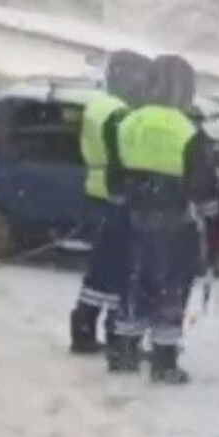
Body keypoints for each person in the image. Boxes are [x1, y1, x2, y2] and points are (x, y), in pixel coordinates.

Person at [107, 55, 216, 383]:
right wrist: (211, 218)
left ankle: (124, 350)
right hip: (174, 220)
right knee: (170, 289)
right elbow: (203, 185)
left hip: (135, 216)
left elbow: (115, 179)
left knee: (135, 283)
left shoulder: (128, 122)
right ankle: (164, 360)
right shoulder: (189, 130)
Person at [69, 49, 151, 355]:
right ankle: (115, 335)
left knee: (101, 270)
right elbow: (126, 157)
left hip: (97, 191)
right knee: (121, 271)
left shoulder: (99, 105)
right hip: (114, 197)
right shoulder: (120, 113)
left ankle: (84, 328)